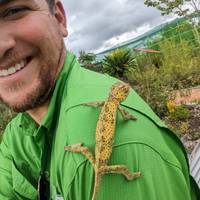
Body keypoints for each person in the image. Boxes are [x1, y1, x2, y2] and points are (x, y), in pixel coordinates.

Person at [0, 0, 199, 199]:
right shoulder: (16, 132)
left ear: (59, 18)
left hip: (101, 156)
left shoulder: (128, 142)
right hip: (100, 155)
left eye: (14, 11)